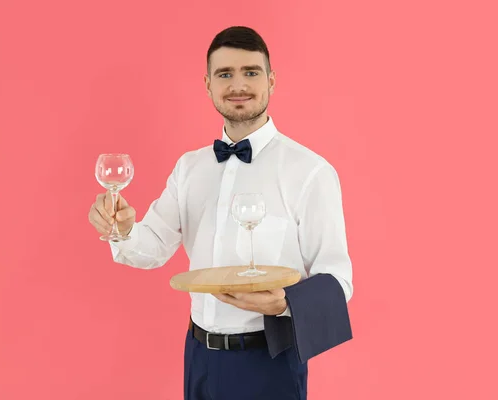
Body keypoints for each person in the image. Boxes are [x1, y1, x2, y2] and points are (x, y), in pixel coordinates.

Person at [88, 26, 353, 400]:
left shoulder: (311, 172)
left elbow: (338, 280)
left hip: (270, 360)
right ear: (208, 84)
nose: (238, 85)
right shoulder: (189, 167)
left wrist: (286, 303)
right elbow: (151, 250)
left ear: (272, 80)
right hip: (198, 356)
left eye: (251, 72)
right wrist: (124, 230)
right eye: (225, 74)